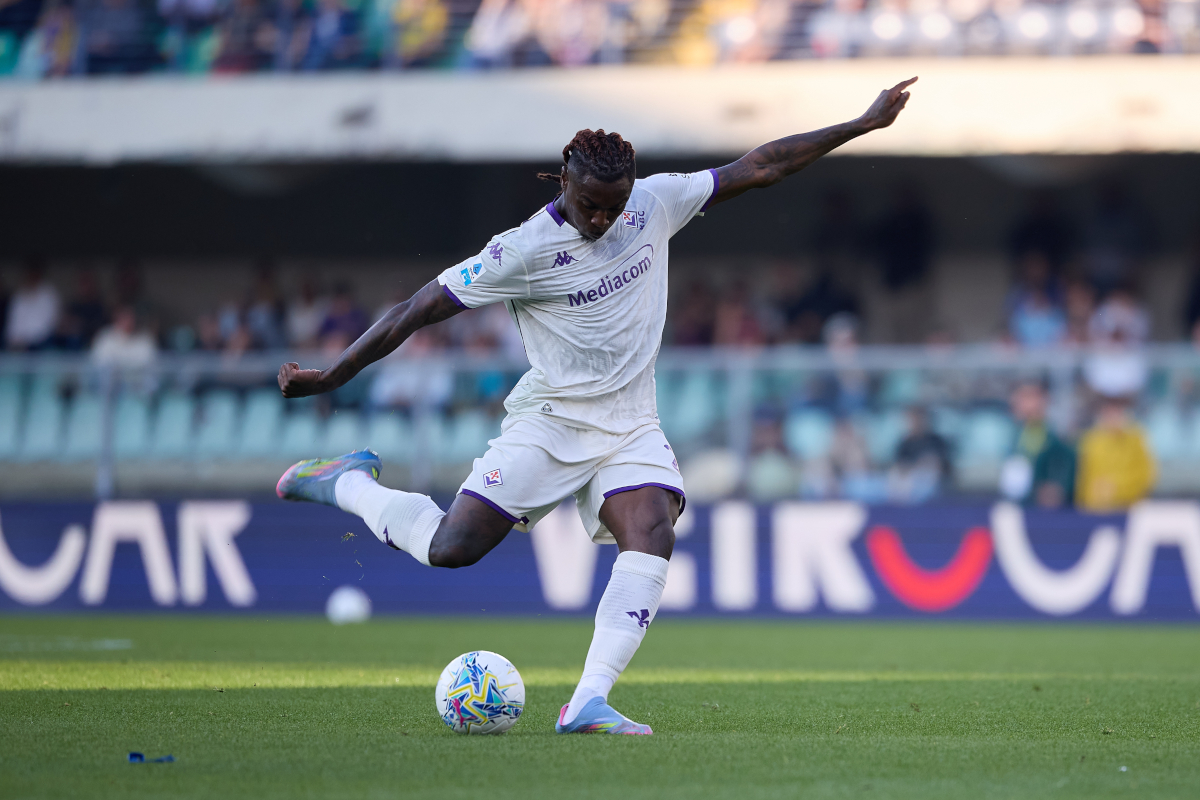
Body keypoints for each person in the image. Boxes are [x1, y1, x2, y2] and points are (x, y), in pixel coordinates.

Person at [274, 77, 917, 735]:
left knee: (653, 529)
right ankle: (345, 483)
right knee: (451, 549)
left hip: (631, 423)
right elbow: (414, 310)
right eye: (588, 205)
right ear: (563, 183)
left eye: (613, 205)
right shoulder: (520, 250)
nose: (602, 218)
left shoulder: (656, 204)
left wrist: (861, 125)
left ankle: (587, 699)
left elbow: (762, 166)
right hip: (550, 424)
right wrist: (335, 376)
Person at [999, 380, 1075, 508]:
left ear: (1044, 400)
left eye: (1029, 397)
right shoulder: (1012, 434)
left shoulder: (1057, 438)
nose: (1023, 402)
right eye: (1021, 397)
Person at [1075, 395, 1156, 513]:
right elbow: (1084, 480)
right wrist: (1091, 501)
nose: (1113, 416)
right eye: (1109, 411)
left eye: (1116, 410)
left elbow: (1146, 476)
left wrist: (1116, 490)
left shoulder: (1137, 438)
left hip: (1131, 510)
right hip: (1098, 511)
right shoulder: (1091, 441)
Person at [5, 259, 59, 351]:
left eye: (34, 272)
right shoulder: (19, 295)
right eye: (29, 272)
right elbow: (13, 324)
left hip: (40, 344)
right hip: (18, 345)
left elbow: (47, 327)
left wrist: (26, 341)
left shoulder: (49, 294)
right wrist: (15, 340)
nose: (31, 275)